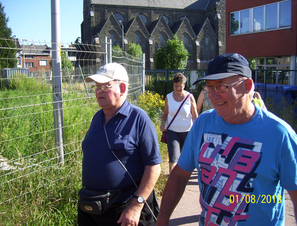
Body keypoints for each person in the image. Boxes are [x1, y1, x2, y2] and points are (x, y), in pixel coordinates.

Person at [157, 53, 297, 225]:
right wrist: (162, 219)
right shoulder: (203, 123)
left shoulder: (280, 134)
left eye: (221, 86)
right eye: (209, 87)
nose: (213, 96)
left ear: (247, 86)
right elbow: (179, 175)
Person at [78, 62, 162, 226]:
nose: (98, 91)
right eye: (96, 87)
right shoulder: (97, 118)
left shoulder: (139, 119)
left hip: (123, 211)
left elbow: (153, 166)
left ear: (123, 88)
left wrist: (136, 206)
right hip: (90, 207)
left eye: (105, 86)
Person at [160, 72, 198, 174]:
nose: (178, 88)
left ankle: (183, 178)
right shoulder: (169, 97)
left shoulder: (189, 97)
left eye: (180, 86)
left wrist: (197, 129)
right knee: (173, 157)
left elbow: (195, 115)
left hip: (187, 131)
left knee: (186, 158)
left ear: (184, 85)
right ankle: (172, 180)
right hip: (172, 131)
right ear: (173, 85)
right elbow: (165, 114)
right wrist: (163, 123)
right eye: (176, 86)